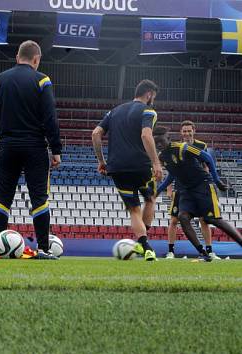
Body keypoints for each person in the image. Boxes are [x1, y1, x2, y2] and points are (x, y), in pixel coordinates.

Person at [0, 40, 61, 260]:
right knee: (39, 197)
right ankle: (44, 249)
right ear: (36, 60)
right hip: (35, 146)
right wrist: (56, 148)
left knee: (2, 197)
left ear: (17, 57)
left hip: (7, 146)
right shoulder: (42, 80)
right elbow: (50, 117)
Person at [92, 79, 161, 261]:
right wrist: (156, 162)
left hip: (117, 168)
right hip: (141, 166)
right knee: (150, 198)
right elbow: (146, 135)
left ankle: (144, 245)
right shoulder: (148, 111)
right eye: (153, 96)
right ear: (149, 94)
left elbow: (96, 133)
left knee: (134, 210)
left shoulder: (114, 112)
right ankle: (145, 242)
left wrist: (101, 160)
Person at [153, 126, 242, 261]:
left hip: (203, 185)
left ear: (169, 138)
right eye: (156, 142)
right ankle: (203, 253)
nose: (159, 144)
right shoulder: (162, 156)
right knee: (182, 217)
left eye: (161, 141)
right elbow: (172, 174)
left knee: (212, 219)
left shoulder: (183, 148)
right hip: (186, 191)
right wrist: (158, 191)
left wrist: (217, 180)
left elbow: (207, 158)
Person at [165, 120, 219, 259]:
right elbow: (170, 169)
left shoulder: (202, 146)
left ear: (194, 131)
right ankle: (170, 251)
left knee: (204, 220)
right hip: (181, 188)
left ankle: (210, 251)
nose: (187, 133)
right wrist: (169, 188)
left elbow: (206, 166)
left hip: (199, 188)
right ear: (180, 133)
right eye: (184, 131)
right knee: (174, 220)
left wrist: (208, 185)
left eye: (189, 130)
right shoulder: (175, 147)